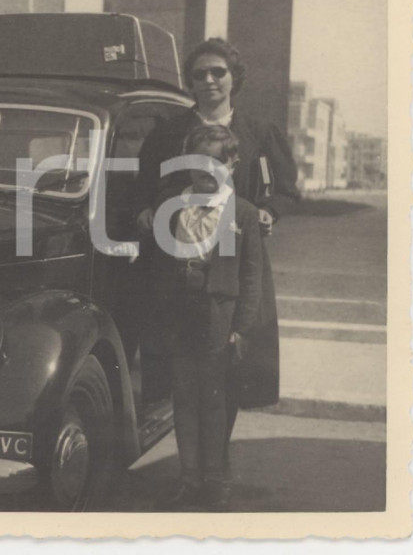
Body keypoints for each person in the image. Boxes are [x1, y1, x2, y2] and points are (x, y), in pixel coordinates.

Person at [130, 37, 300, 492]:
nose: (208, 81)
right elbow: (145, 187)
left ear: (233, 78)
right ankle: (194, 473)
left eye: (217, 73)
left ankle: (214, 470)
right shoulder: (168, 132)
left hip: (233, 268)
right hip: (179, 264)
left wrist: (269, 210)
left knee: (230, 374)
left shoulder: (258, 132)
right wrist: (146, 209)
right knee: (183, 381)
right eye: (200, 74)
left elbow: (286, 189)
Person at [154, 124, 264, 511]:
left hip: (219, 313)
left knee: (215, 398)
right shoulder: (172, 206)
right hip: (180, 311)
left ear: (232, 163)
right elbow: (159, 261)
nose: (205, 171)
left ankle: (216, 480)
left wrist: (242, 328)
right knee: (184, 396)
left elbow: (252, 274)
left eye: (215, 162)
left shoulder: (243, 213)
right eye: (196, 162)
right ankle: (189, 479)